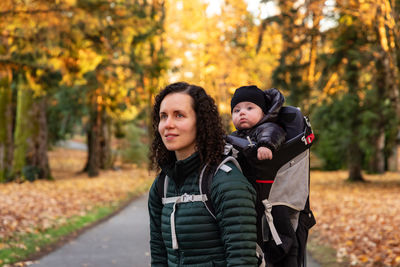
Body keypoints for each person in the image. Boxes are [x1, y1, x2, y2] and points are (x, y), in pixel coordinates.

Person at [148, 82, 258, 267]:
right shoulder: (162, 185)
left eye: (179, 115)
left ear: (201, 122)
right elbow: (159, 258)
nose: (168, 124)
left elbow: (242, 261)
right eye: (163, 116)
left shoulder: (226, 183)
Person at [230, 85, 286, 161]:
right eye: (237, 110)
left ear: (263, 113)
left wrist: (265, 146)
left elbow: (272, 133)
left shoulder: (267, 127)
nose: (242, 112)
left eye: (249, 108)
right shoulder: (234, 135)